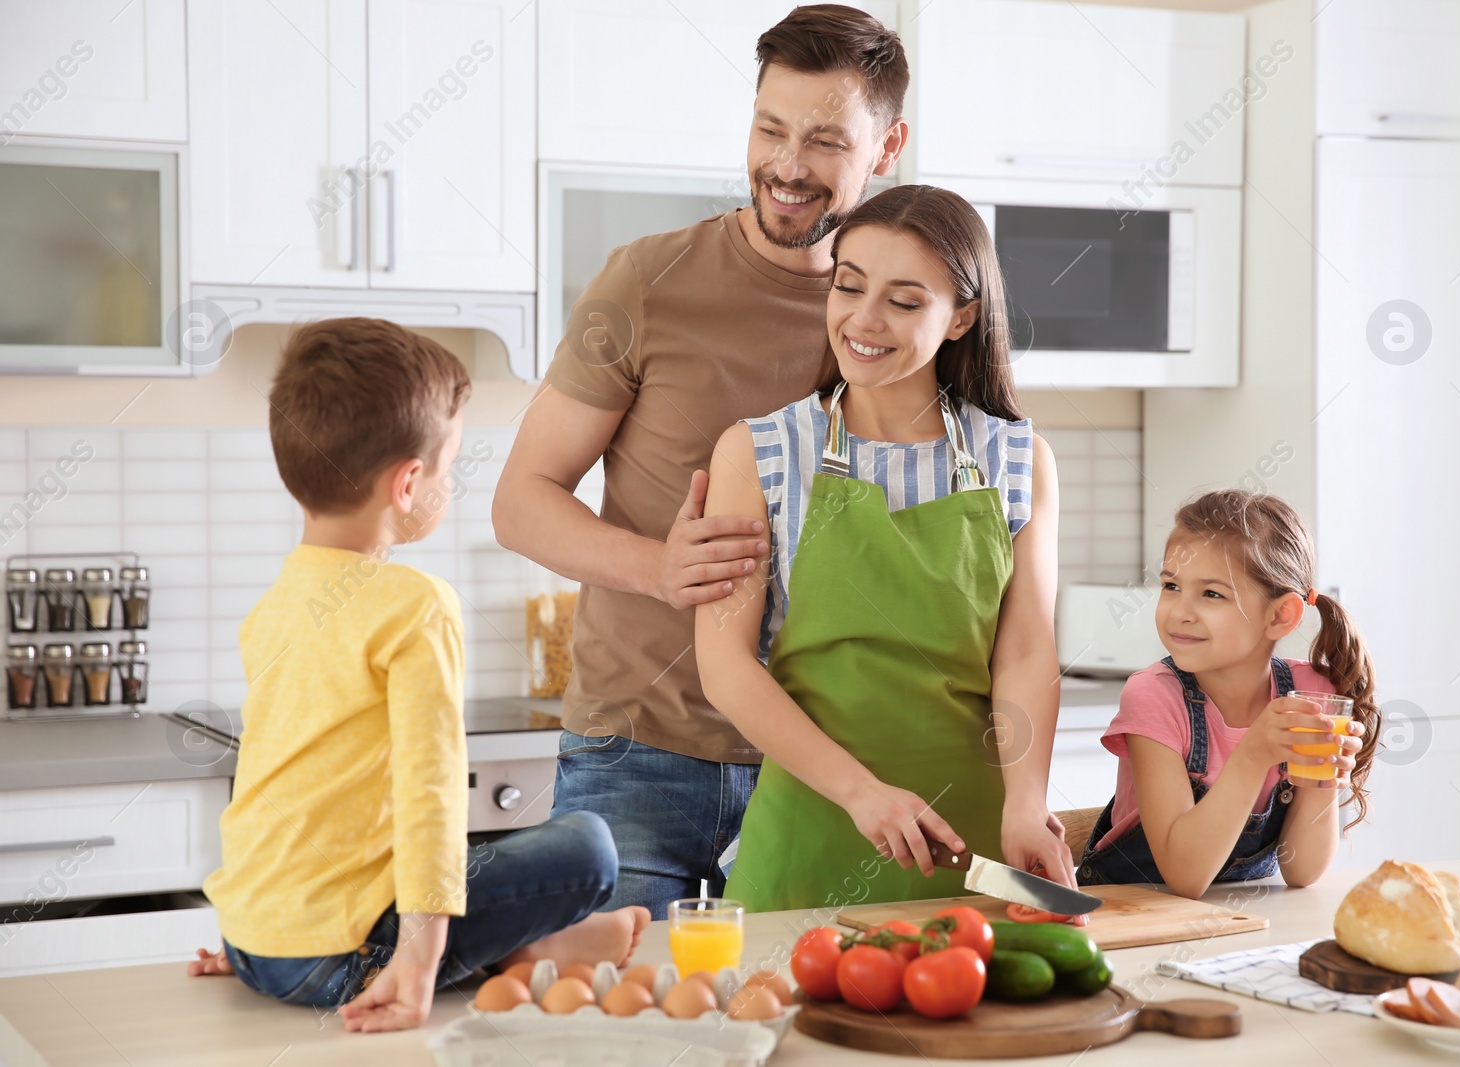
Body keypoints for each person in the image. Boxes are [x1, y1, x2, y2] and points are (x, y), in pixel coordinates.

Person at [492, 6, 910, 918]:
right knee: (624, 1035)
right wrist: (658, 566)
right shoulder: (646, 281)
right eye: (770, 129)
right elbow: (521, 500)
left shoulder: (903, 316)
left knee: (801, 1029)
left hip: (823, 761)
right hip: (636, 753)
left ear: (888, 147)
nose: (788, 165)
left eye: (826, 140)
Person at [189, 318, 648, 1032]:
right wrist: (419, 958)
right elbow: (432, 792)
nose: (451, 483)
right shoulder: (416, 605)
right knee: (588, 843)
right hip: (347, 955)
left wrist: (260, 931)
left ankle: (527, 946)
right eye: (449, 466)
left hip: (251, 941)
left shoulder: (276, 600)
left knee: (476, 854)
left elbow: (269, 784)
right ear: (407, 483)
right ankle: (526, 946)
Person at [695, 184, 1072, 912]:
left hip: (972, 837)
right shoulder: (761, 450)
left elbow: (1025, 651)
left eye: (904, 301)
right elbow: (724, 664)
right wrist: (860, 792)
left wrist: (1027, 800)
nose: (863, 320)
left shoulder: (1017, 457)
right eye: (848, 285)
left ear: (962, 316)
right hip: (813, 822)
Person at [1074, 489, 1378, 898]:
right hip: (1134, 907)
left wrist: (1326, 780)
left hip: (1241, 915)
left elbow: (1302, 871)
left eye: (1212, 594)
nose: (1179, 611)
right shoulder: (1154, 697)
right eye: (1171, 585)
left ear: (1280, 615)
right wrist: (1253, 755)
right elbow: (1184, 877)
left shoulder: (1313, 695)